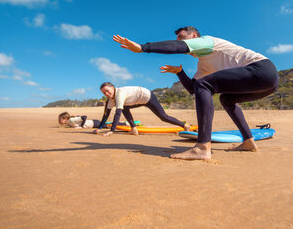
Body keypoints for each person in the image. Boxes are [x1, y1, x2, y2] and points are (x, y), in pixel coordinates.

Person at [113, 26, 279, 160]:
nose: (179, 41)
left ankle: (202, 147)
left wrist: (144, 48)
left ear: (194, 36)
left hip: (261, 69)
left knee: (204, 84)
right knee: (226, 99)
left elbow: (179, 48)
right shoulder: (204, 64)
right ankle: (249, 141)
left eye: (182, 37)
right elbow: (194, 89)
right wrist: (180, 72)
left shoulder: (207, 41)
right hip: (268, 84)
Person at [93, 82, 190, 137]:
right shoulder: (111, 100)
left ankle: (184, 125)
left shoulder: (120, 94)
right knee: (124, 108)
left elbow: (117, 114)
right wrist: (99, 128)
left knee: (163, 117)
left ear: (113, 87)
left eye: (107, 90)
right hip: (137, 101)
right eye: (103, 93)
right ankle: (134, 129)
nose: (106, 93)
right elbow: (106, 114)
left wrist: (112, 130)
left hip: (147, 96)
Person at [57, 112, 133, 129]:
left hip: (94, 123)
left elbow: (84, 116)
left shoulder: (71, 121)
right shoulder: (69, 123)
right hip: (94, 123)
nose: (59, 121)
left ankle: (125, 124)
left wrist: (83, 125)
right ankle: (124, 123)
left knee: (108, 126)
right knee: (107, 124)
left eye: (60, 119)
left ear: (65, 119)